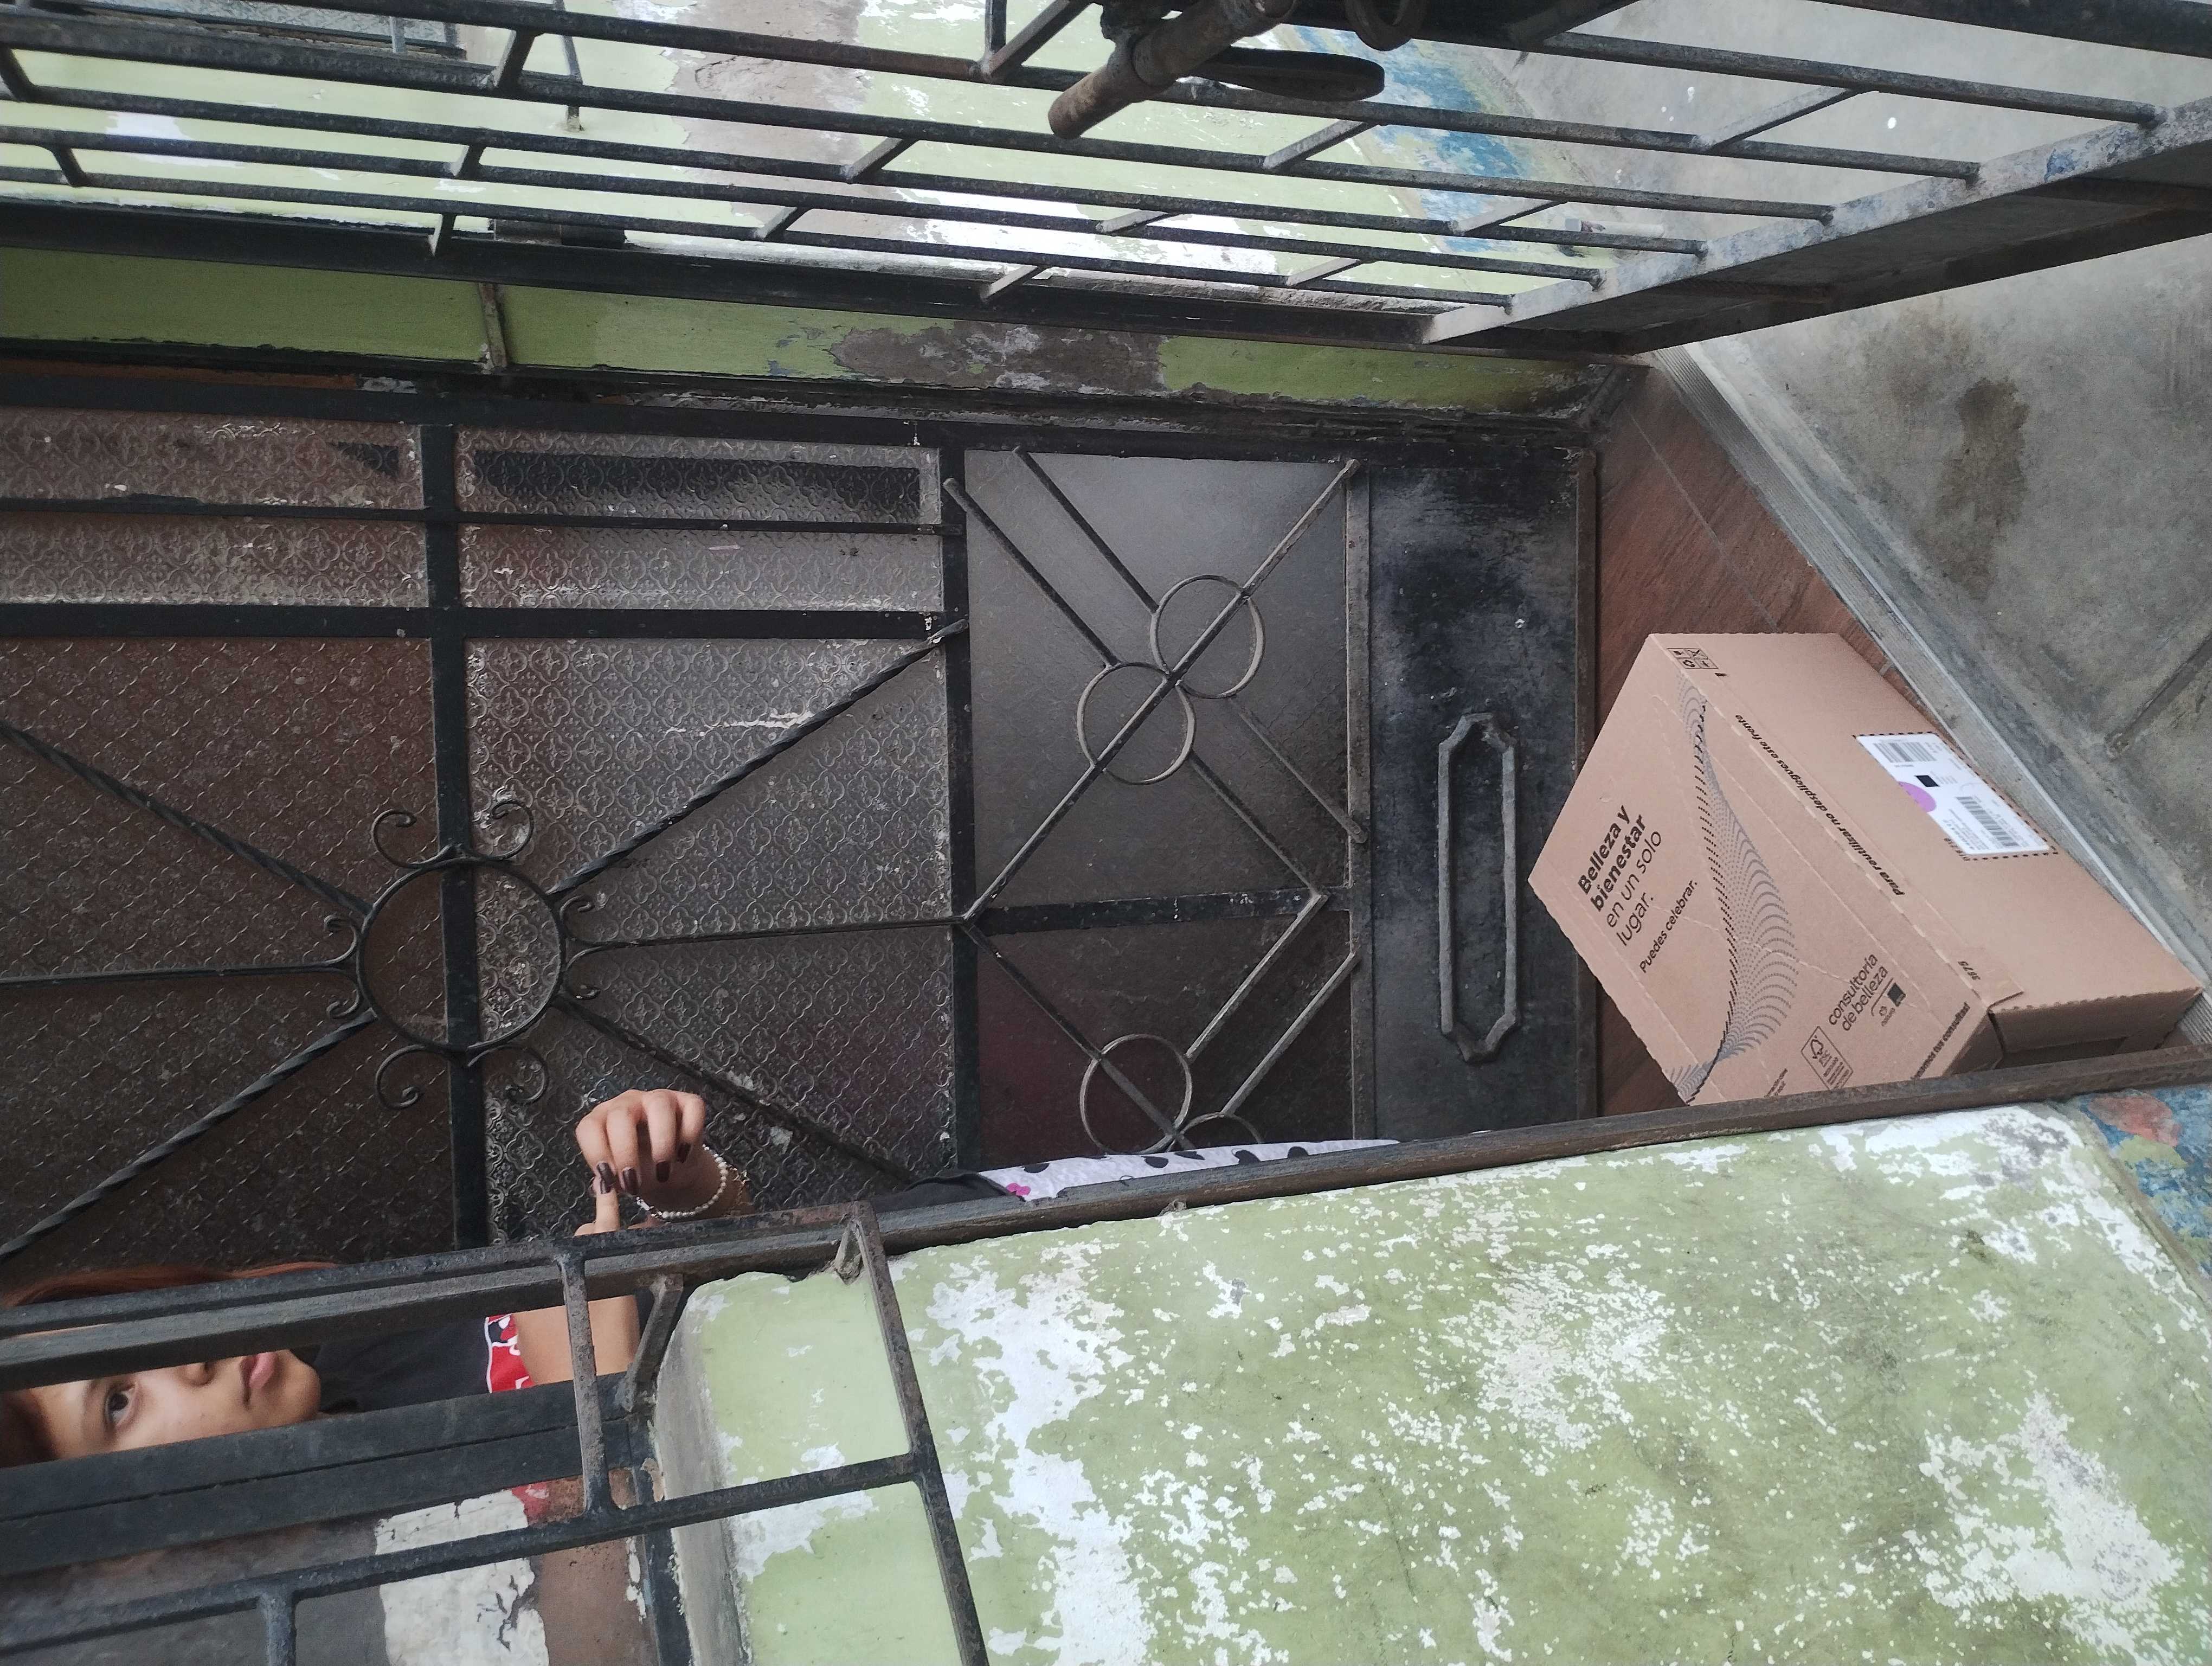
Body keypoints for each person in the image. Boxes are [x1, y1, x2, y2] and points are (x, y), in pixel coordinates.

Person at [0, 1090, 752, 1468]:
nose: (187, 1358)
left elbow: (743, 1279)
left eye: (133, 1329)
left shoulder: (357, 1340)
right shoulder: (369, 1587)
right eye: (118, 1401)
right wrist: (583, 1393)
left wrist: (683, 1186)